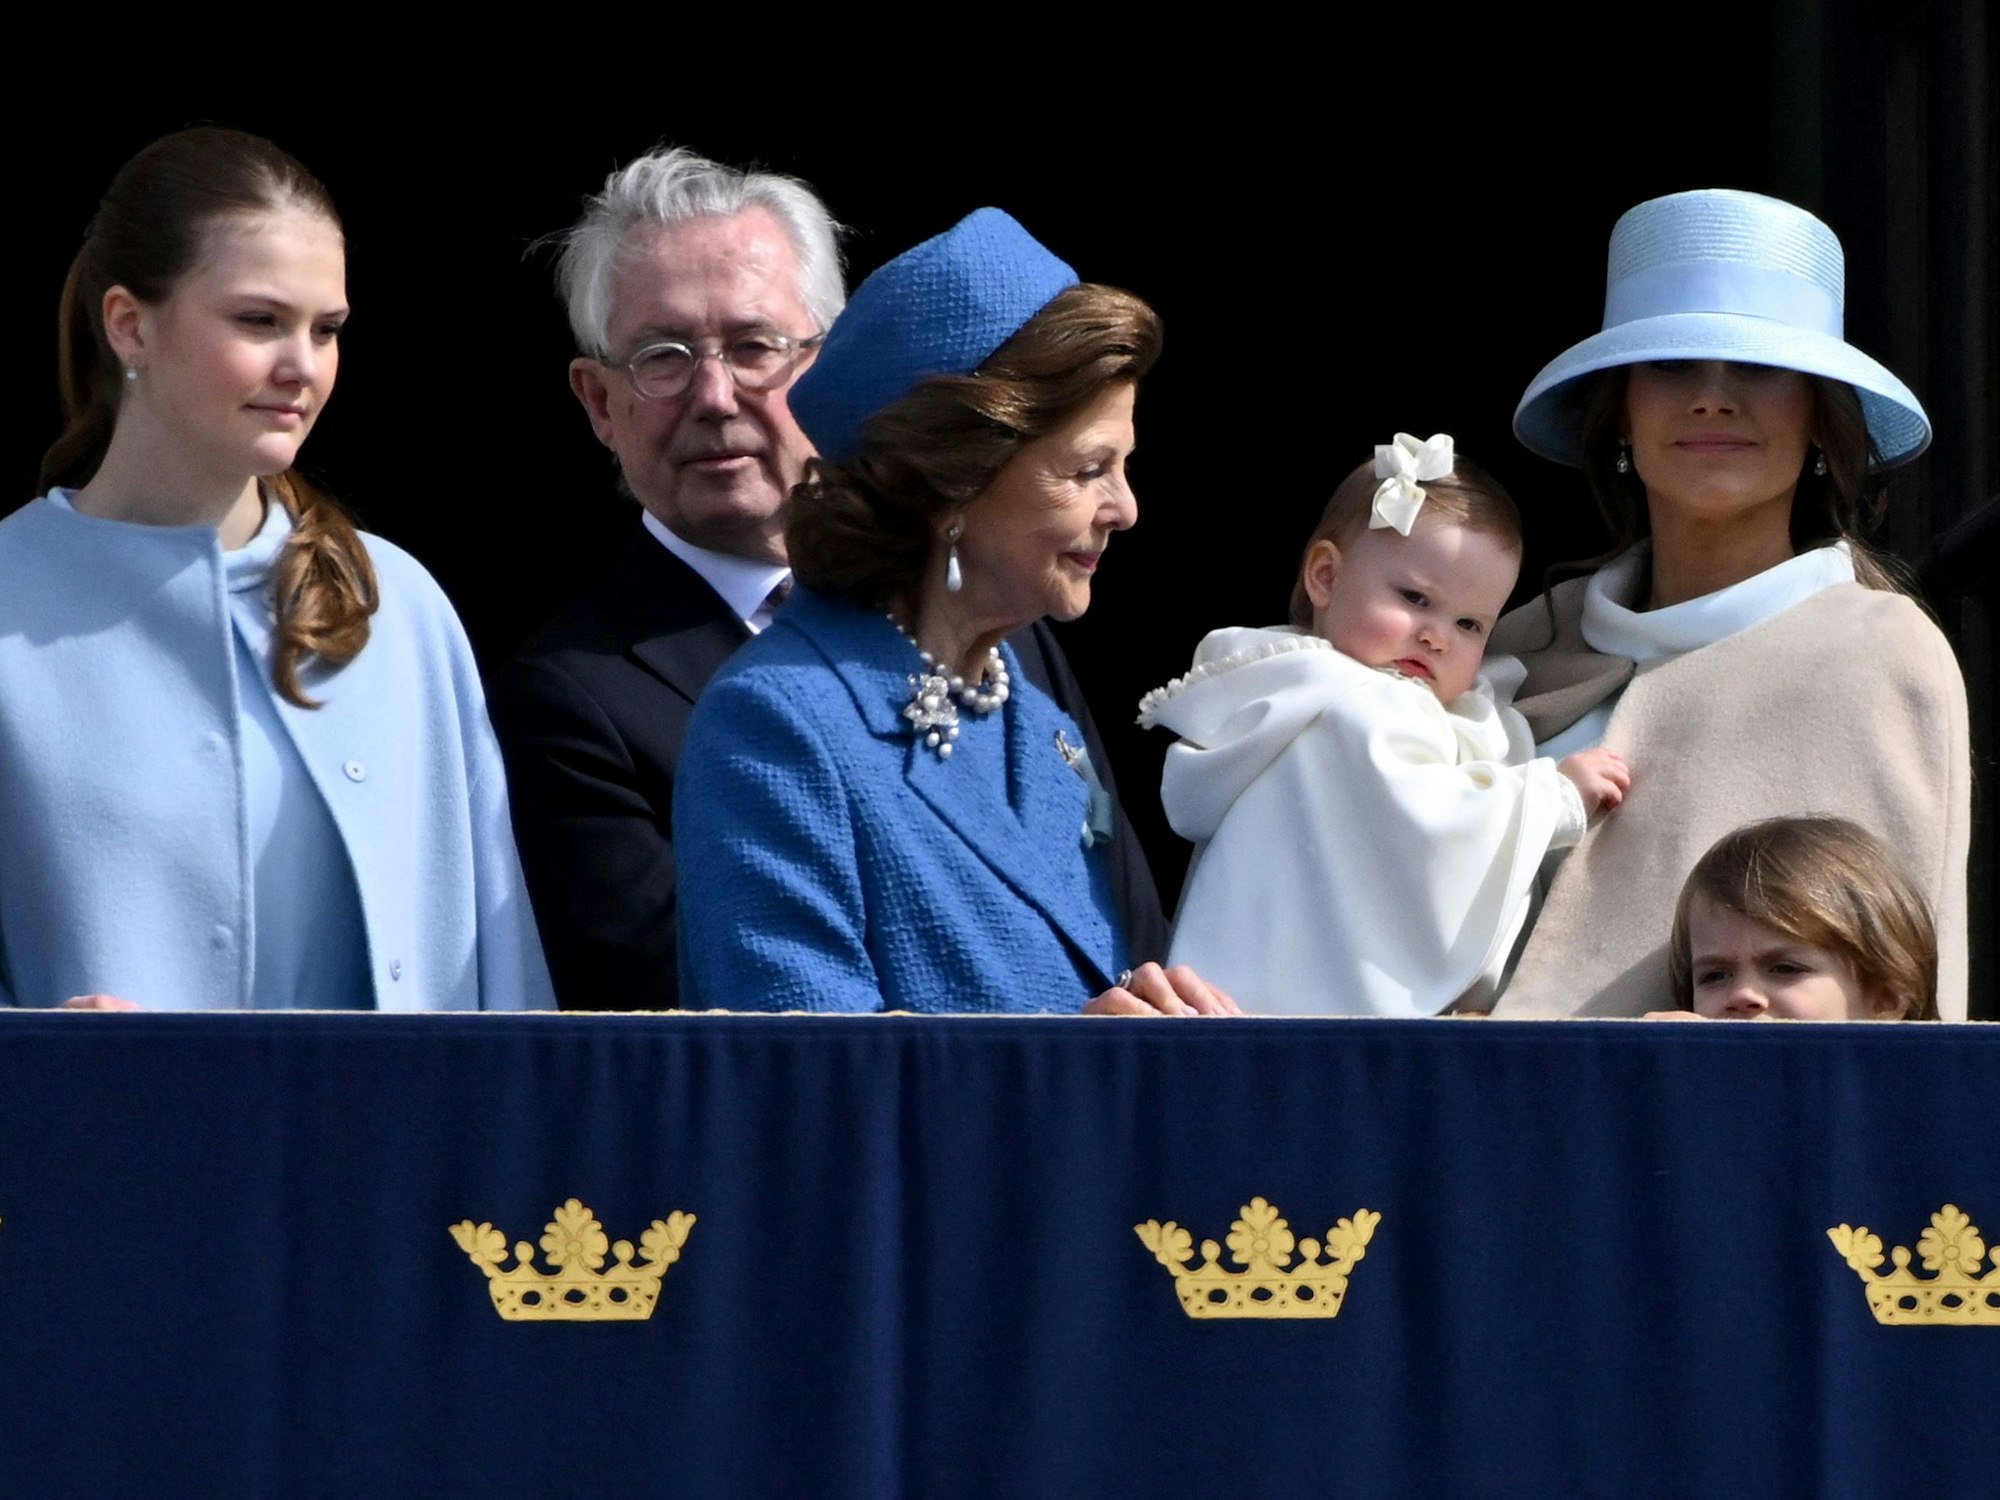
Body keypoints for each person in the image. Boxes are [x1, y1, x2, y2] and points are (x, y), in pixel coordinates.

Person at [490, 149, 1167, 1011]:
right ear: (598, 401)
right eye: (664, 357)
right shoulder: (595, 695)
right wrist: (1065, 1056)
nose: (715, 395)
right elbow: (731, 1034)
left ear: (825, 358)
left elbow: (1120, 936)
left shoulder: (1008, 650)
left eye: (754, 347)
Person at [0, 127, 550, 1012]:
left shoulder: (396, 605)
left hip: (399, 1112)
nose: (302, 367)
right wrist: (43, 1054)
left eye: (326, 330)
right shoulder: (11, 598)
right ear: (129, 325)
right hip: (106, 1112)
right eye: (259, 321)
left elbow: (498, 975)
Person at [675, 208, 1233, 1017]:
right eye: (1088, 470)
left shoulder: (1038, 726)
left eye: (1124, 467)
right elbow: (801, 1075)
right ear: (955, 481)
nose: (1126, 509)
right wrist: (1071, 1063)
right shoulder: (774, 726)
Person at [1488, 188, 1969, 1020]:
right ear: (1621, 411)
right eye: (1671, 364)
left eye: (1758, 366)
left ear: (1819, 419)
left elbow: (1905, 1011)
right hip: (1438, 1093)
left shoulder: (1877, 653)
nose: (1712, 397)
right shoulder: (1510, 643)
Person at [1140, 435, 1629, 1015]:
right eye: (1415, 598)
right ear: (1325, 576)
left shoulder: (1288, 694)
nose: (1437, 636)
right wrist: (1553, 797)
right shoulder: (1361, 706)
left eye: (1470, 624)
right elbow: (1429, 825)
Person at [1665, 817, 1936, 1021]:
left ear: (1885, 997)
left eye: (1785, 968)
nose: (1743, 994)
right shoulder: (1674, 1077)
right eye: (1714, 976)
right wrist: (1650, 1060)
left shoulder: (1931, 1083)